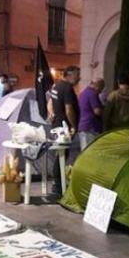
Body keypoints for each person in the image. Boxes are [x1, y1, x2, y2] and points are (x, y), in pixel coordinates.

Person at [49, 66, 81, 195]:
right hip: (64, 127)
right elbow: (69, 109)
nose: (79, 78)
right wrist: (73, 126)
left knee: (60, 154)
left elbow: (50, 102)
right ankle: (58, 186)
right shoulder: (67, 88)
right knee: (62, 155)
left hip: (57, 125)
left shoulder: (56, 86)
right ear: (70, 75)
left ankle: (57, 183)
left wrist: (51, 113)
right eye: (77, 75)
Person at [78, 78, 105, 150]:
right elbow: (97, 111)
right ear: (97, 85)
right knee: (89, 151)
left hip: (84, 126)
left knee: (85, 151)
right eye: (101, 88)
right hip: (91, 128)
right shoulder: (92, 94)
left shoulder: (83, 93)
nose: (101, 91)